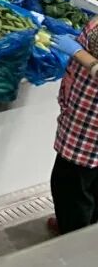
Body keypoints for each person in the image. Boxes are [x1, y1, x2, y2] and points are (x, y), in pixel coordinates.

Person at [48, 23, 98, 234]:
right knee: (91, 183)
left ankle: (74, 236)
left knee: (70, 186)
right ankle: (85, 229)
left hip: (90, 126)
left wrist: (78, 52)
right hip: (84, 112)